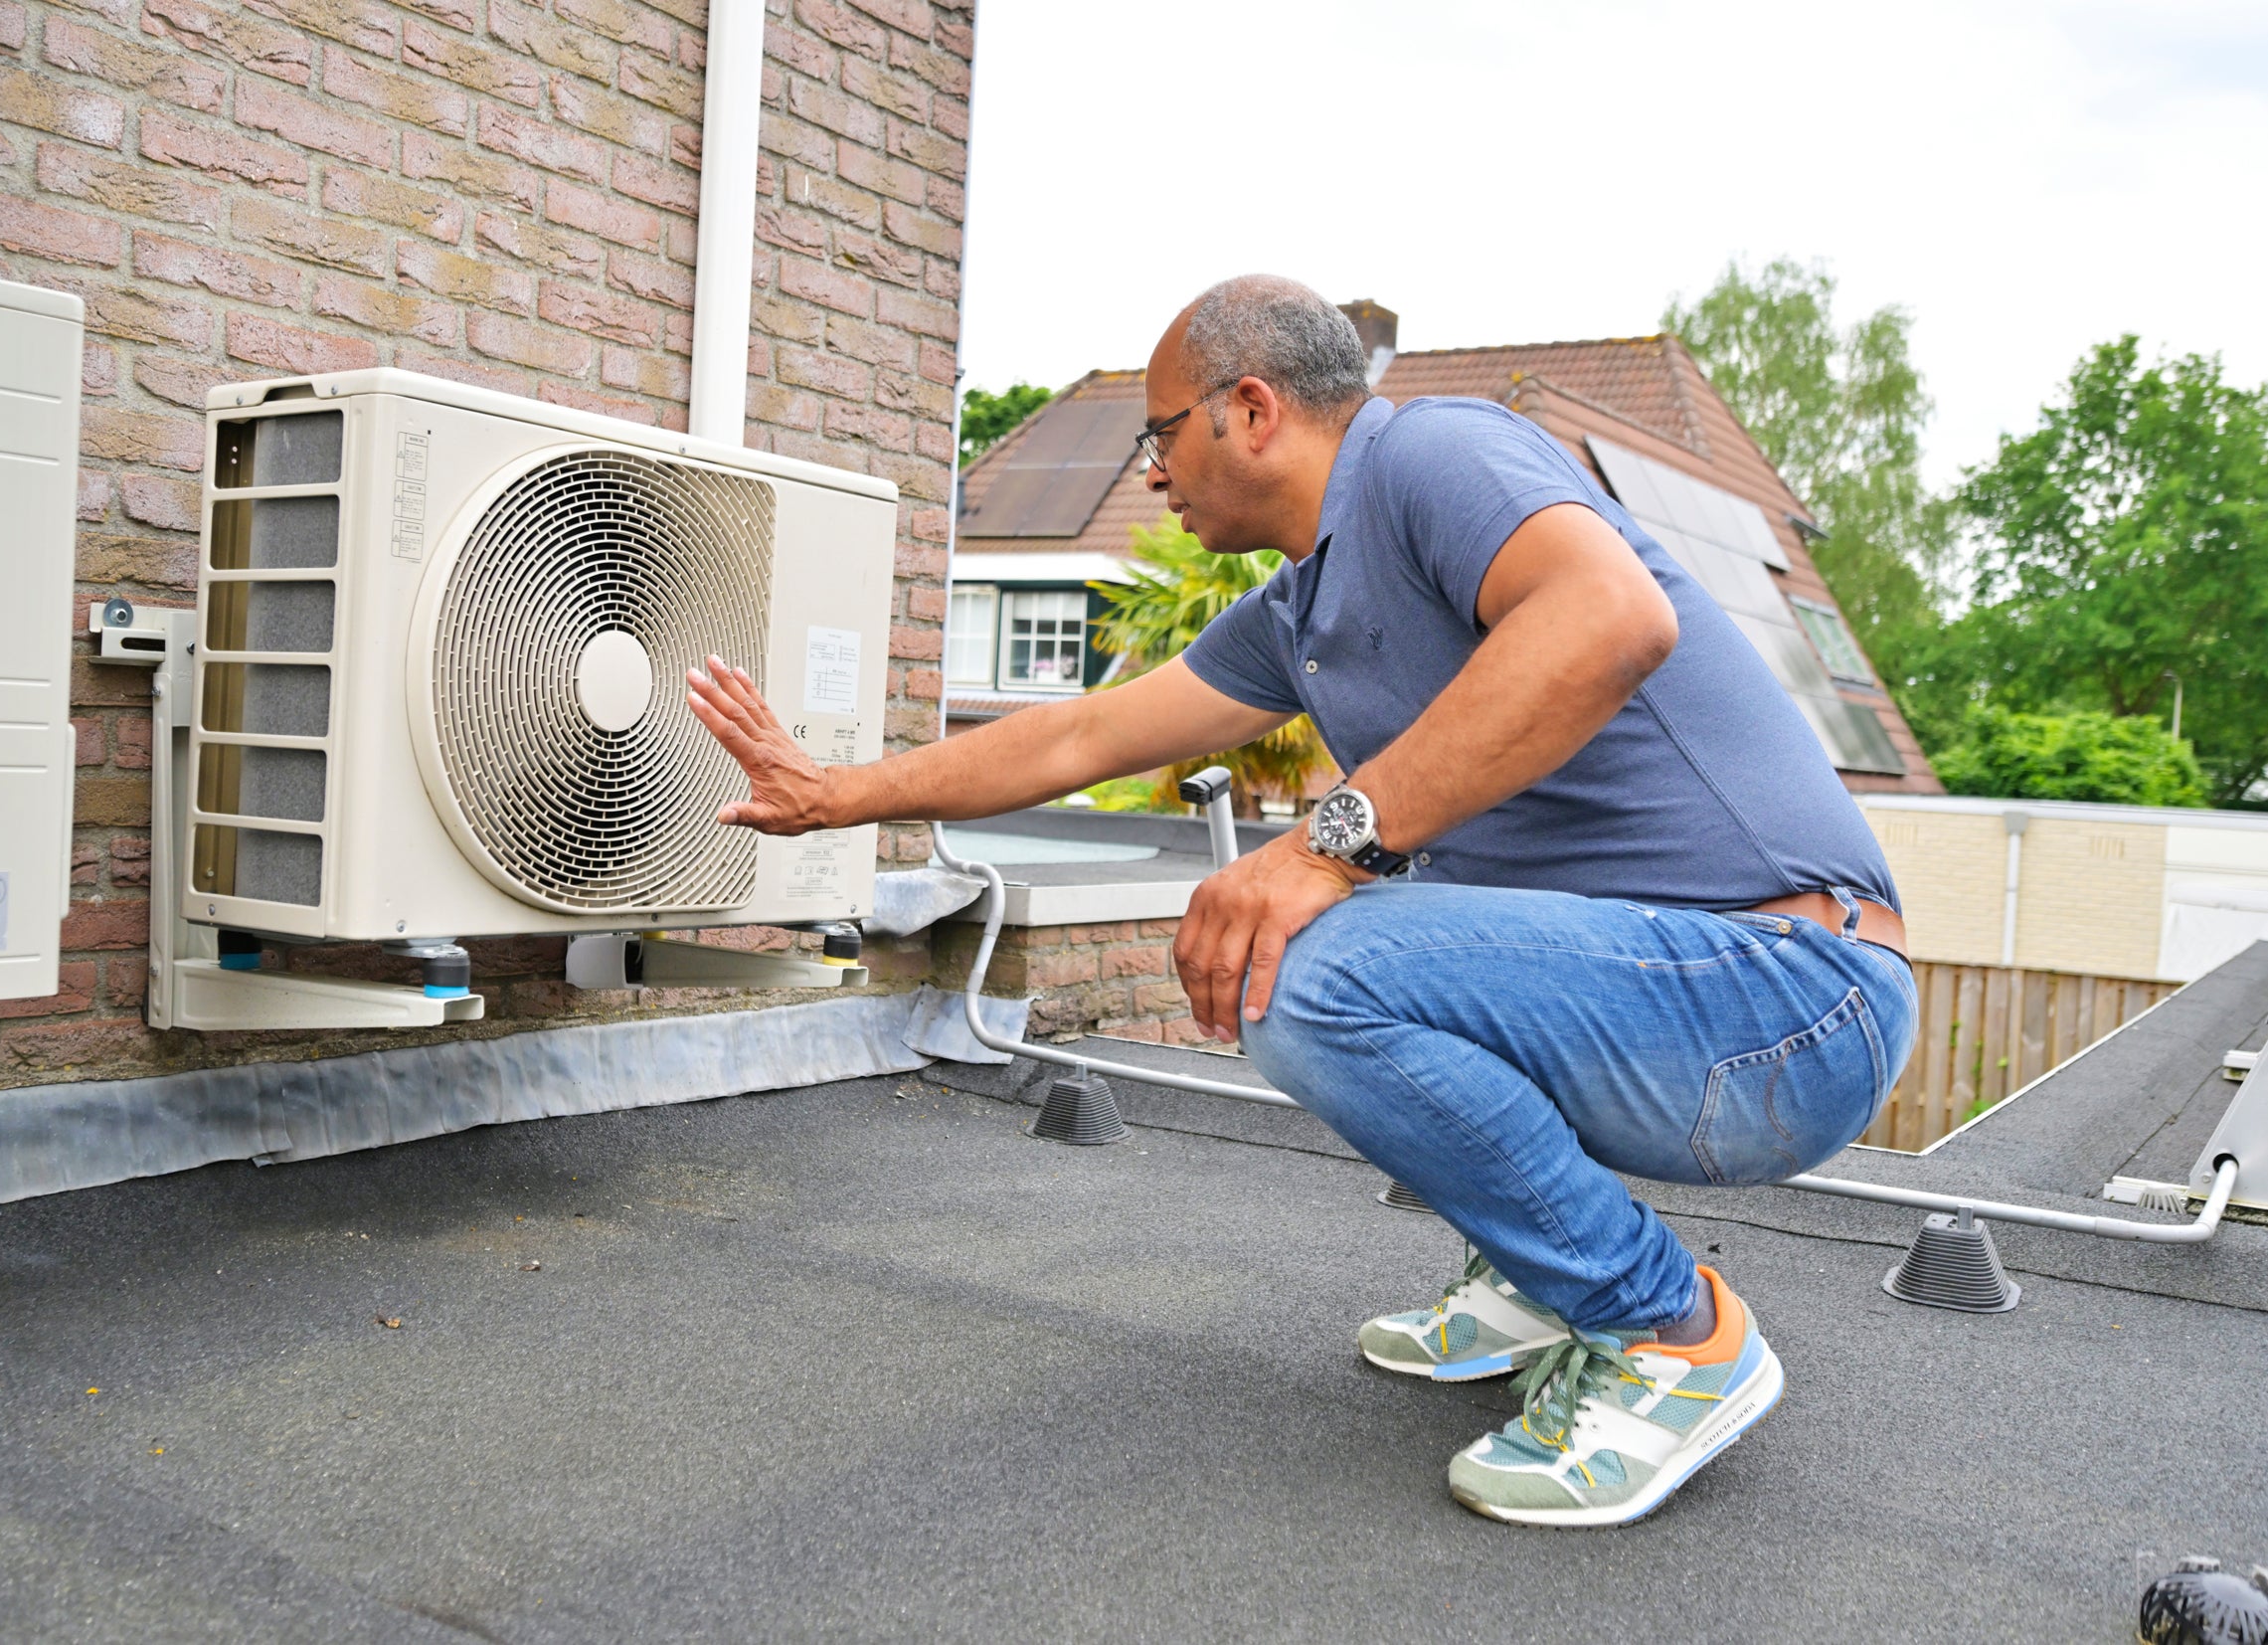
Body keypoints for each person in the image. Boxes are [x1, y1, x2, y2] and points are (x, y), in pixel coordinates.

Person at [685, 274, 1916, 1529]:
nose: (1152, 473)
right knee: (1385, 912)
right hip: (1682, 1004)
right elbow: (1082, 736)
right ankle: (1541, 1278)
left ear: (1253, 409)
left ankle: (1671, 1331)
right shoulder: (1302, 613)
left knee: (1307, 966)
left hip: (1790, 998)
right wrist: (836, 794)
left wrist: (1328, 849)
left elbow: (1609, 615)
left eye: (1161, 434)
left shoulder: (1433, 454)